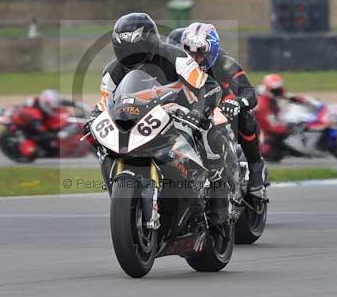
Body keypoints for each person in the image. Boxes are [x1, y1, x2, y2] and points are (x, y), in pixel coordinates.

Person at [88, 12, 235, 223]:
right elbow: (105, 102)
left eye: (136, 51)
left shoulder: (176, 57)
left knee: (210, 128)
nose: (131, 58)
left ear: (150, 42)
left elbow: (207, 86)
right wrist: (94, 118)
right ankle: (124, 194)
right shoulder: (112, 71)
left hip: (182, 112)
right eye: (124, 51)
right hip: (141, 118)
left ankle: (219, 196)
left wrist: (198, 112)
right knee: (103, 145)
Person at [180, 22, 266, 195]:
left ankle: (255, 168)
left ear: (212, 51)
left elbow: (249, 92)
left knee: (246, 116)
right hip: (190, 110)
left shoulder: (225, 63)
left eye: (201, 53)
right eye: (190, 53)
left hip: (222, 108)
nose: (195, 59)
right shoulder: (179, 64)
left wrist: (237, 103)